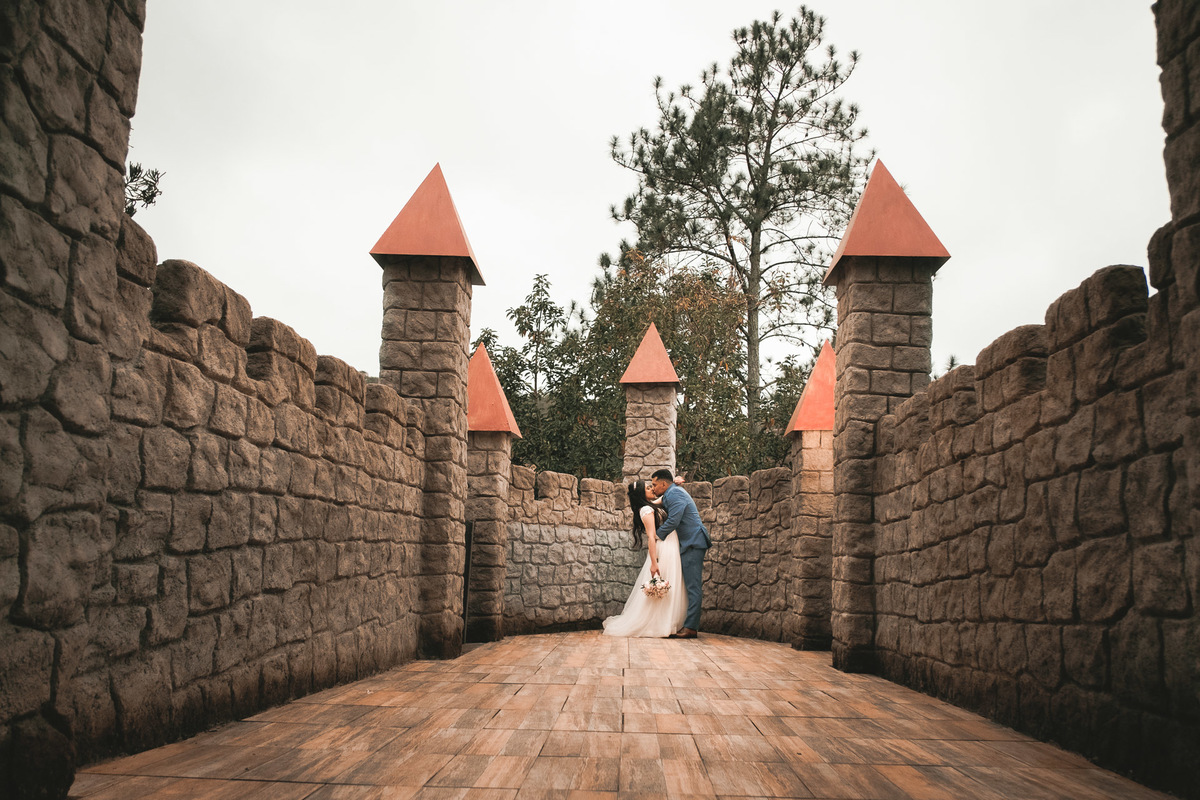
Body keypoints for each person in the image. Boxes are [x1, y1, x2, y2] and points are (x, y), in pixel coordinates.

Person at [602, 480, 688, 638]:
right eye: (648, 488)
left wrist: (674, 483)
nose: (652, 489)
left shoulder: (651, 505)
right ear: (642, 493)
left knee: (671, 583)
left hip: (671, 545)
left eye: (652, 486)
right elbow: (650, 537)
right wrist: (654, 562)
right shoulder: (646, 510)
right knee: (664, 584)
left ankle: (668, 621)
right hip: (664, 548)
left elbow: (664, 496)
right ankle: (659, 623)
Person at [650, 468, 710, 639]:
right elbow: (659, 501)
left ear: (663, 483)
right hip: (689, 542)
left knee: (693, 585)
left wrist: (656, 536)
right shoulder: (672, 492)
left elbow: (674, 520)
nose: (653, 488)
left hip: (693, 541)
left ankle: (691, 627)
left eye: (654, 485)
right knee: (689, 585)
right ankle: (687, 623)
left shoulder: (675, 493)